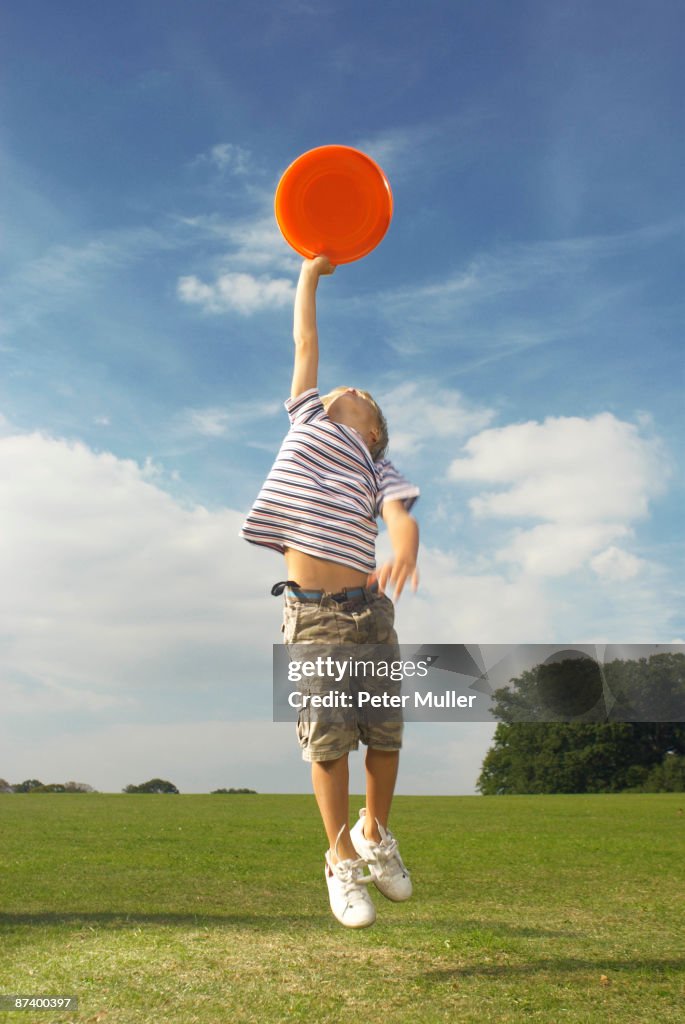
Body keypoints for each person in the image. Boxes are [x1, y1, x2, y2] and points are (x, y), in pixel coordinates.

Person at [240, 256, 420, 928]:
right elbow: (305, 342)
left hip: (369, 615)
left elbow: (398, 510)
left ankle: (375, 833)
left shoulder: (377, 463)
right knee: (326, 744)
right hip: (311, 618)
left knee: (385, 738)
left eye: (360, 393)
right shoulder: (307, 422)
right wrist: (309, 276)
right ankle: (340, 857)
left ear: (373, 430)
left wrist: (403, 539)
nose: (344, 387)